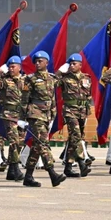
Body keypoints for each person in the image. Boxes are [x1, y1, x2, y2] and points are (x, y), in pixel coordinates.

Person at [19, 51, 66, 188]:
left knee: (36, 147)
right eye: (36, 61)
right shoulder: (30, 79)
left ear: (47, 63)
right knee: (42, 143)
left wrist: (52, 115)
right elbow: (24, 100)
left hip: (47, 116)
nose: (38, 63)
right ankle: (52, 173)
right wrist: (23, 119)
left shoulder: (52, 79)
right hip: (35, 115)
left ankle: (28, 176)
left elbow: (52, 98)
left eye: (41, 61)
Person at [0, 56, 26, 181]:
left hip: (21, 115)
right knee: (14, 140)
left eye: (13, 66)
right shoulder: (5, 80)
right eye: (9, 66)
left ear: (19, 67)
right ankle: (16, 168)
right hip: (8, 114)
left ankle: (11, 170)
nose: (11, 68)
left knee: (20, 141)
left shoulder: (25, 80)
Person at [55, 53, 92, 178]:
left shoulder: (86, 78)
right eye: (70, 63)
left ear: (80, 65)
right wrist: (60, 71)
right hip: (70, 110)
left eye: (74, 63)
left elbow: (88, 96)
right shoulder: (64, 78)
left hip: (82, 111)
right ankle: (82, 163)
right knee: (76, 135)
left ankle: (68, 167)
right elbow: (53, 82)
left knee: (74, 138)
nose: (72, 66)